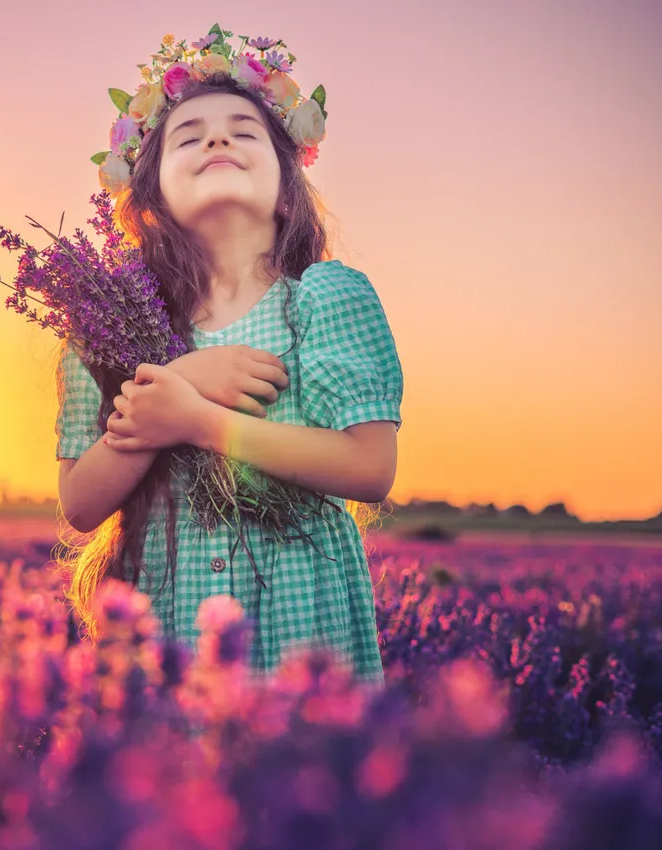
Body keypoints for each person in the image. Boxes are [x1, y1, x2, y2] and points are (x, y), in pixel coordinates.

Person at [54, 29, 403, 685]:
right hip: (165, 618)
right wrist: (179, 379)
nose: (216, 141)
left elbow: (370, 466)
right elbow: (78, 503)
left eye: (243, 131)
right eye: (189, 136)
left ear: (286, 181)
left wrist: (198, 421)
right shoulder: (106, 326)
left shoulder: (327, 298)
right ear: (150, 190)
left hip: (299, 625)